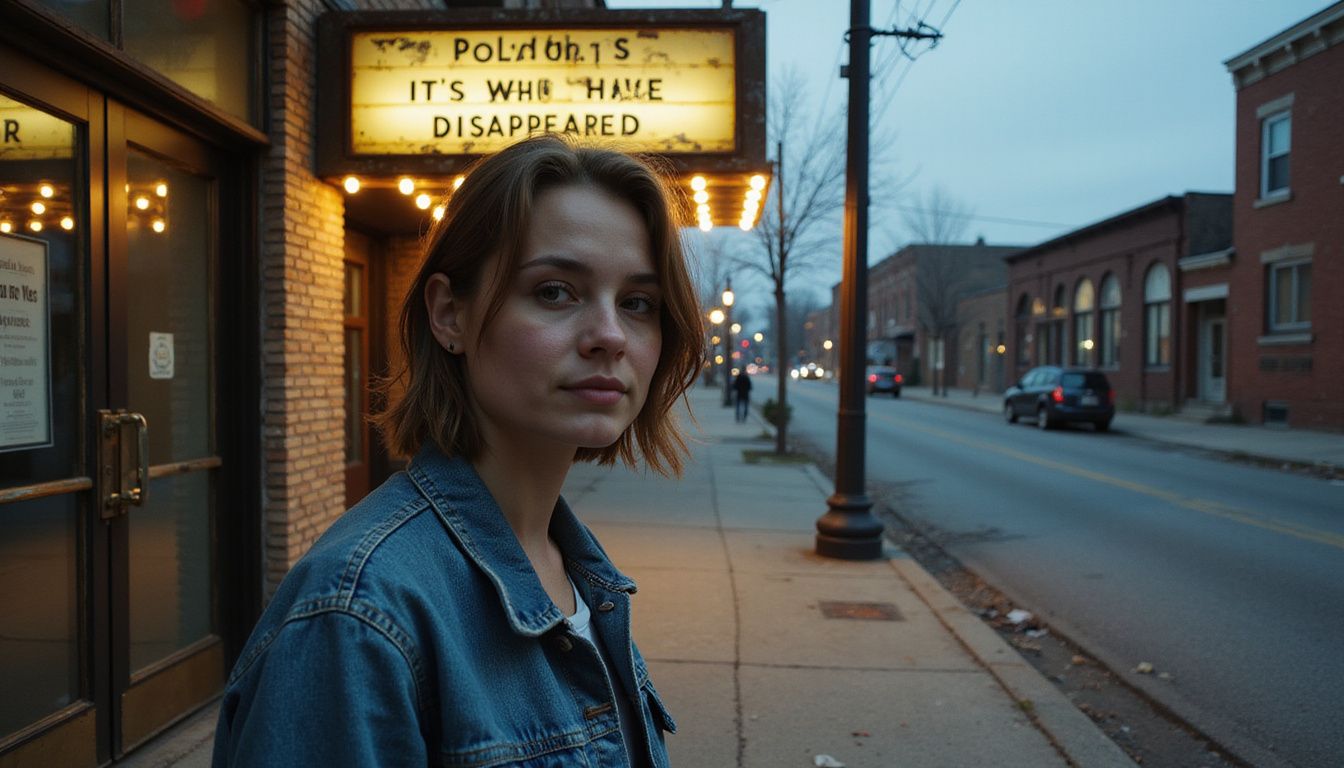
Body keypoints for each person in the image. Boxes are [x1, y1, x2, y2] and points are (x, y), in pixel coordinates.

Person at [212, 134, 703, 767]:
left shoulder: (574, 567)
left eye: (638, 303)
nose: (609, 334)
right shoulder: (358, 615)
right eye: (555, 290)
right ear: (449, 314)